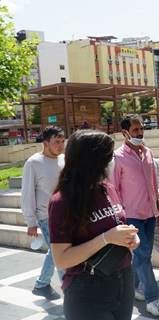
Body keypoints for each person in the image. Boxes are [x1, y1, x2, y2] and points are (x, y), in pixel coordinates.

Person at [48, 130, 139, 320]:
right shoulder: (62, 202)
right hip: (87, 289)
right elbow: (62, 259)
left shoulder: (107, 189)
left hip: (123, 278)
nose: (113, 161)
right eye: (109, 156)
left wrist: (130, 237)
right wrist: (105, 239)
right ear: (92, 161)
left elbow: (119, 225)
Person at [110, 115, 159, 317]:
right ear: (125, 133)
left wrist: (158, 209)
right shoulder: (117, 158)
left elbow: (153, 185)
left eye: (141, 129)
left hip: (150, 214)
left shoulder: (149, 153)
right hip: (131, 215)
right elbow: (113, 189)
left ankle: (131, 288)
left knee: (144, 255)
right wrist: (119, 217)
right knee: (143, 256)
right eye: (135, 130)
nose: (139, 133)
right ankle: (153, 299)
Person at [21, 126, 65, 300]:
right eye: (57, 142)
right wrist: (31, 221)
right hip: (46, 217)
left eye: (62, 141)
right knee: (59, 251)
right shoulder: (33, 163)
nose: (61, 145)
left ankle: (41, 284)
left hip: (65, 214)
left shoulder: (63, 159)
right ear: (46, 143)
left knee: (56, 251)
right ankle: (69, 292)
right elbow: (27, 193)